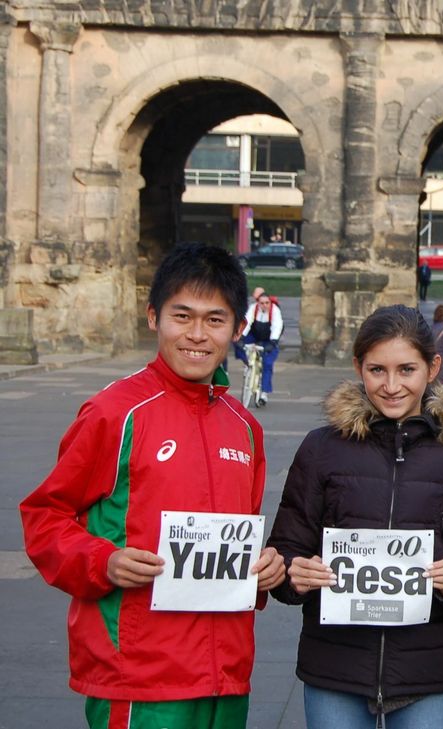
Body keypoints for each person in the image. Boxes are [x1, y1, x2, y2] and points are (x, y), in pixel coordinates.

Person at [20, 243, 286, 729]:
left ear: (238, 328)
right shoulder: (114, 412)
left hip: (226, 673)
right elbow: (45, 517)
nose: (197, 335)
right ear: (153, 317)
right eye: (182, 316)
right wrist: (105, 560)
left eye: (215, 320)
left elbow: (238, 535)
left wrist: (264, 566)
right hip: (139, 675)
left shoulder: (244, 426)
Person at [266, 304, 443, 729]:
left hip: (426, 671)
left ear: (432, 368)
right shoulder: (321, 449)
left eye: (406, 369)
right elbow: (285, 551)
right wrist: (293, 576)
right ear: (358, 366)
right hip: (334, 666)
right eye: (377, 370)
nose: (392, 386)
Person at [235, 292, 283, 405]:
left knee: (267, 364)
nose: (264, 305)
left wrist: (273, 342)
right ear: (258, 303)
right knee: (237, 343)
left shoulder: (275, 311)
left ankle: (264, 393)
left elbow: (277, 326)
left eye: (267, 303)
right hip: (255, 335)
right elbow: (247, 322)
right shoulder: (253, 308)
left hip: (268, 338)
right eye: (262, 303)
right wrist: (241, 337)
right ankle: (247, 363)